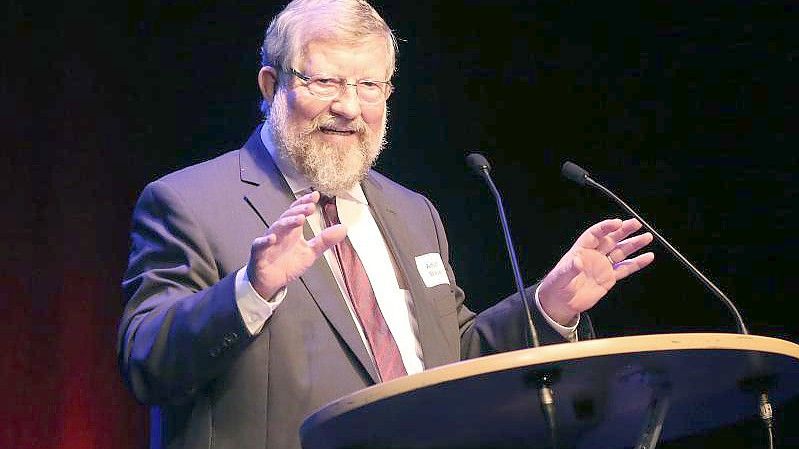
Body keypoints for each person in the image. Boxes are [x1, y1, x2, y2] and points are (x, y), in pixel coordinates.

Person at [117, 1, 655, 448]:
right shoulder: (189, 202)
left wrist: (548, 304)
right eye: (326, 80)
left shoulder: (413, 211)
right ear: (270, 85)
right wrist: (251, 290)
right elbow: (147, 362)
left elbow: (453, 360)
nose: (349, 107)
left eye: (370, 85)